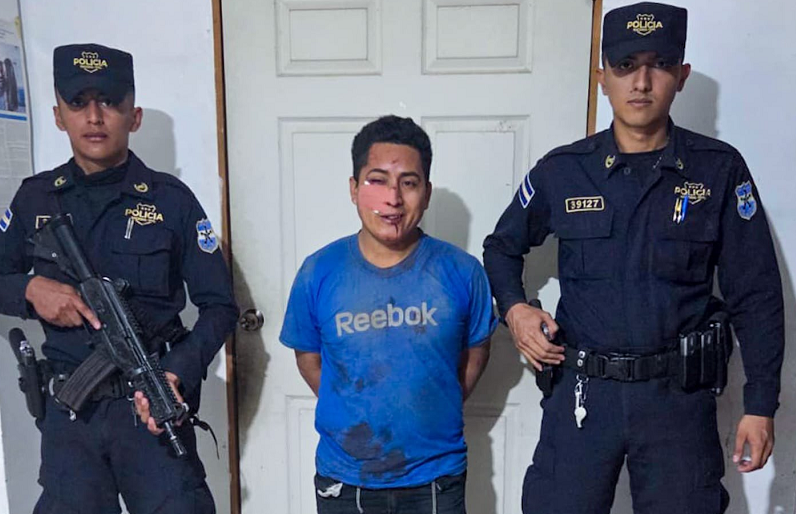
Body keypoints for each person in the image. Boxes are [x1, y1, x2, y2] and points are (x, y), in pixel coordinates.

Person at [483, 3, 784, 513]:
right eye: (625, 66)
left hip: (677, 403)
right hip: (582, 397)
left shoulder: (718, 171)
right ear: (602, 77)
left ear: (681, 75)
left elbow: (756, 295)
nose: (641, 82)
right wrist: (515, 309)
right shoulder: (564, 171)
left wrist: (760, 405)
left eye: (659, 65)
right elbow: (501, 248)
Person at [0, 43, 238, 513]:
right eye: (78, 103)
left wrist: (176, 372)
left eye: (109, 101)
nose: (94, 117)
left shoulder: (171, 201)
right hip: (72, 419)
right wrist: (29, 290)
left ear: (134, 115)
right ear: (58, 115)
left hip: (151, 412)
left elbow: (220, 306)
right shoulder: (34, 200)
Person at [280, 115, 497, 514]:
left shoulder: (463, 272)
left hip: (437, 476)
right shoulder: (318, 272)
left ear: (426, 193)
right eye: (376, 181)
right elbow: (308, 359)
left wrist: (439, 401)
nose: (393, 198)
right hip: (346, 478)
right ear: (353, 189)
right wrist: (354, 409)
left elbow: (476, 352)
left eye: (408, 183)